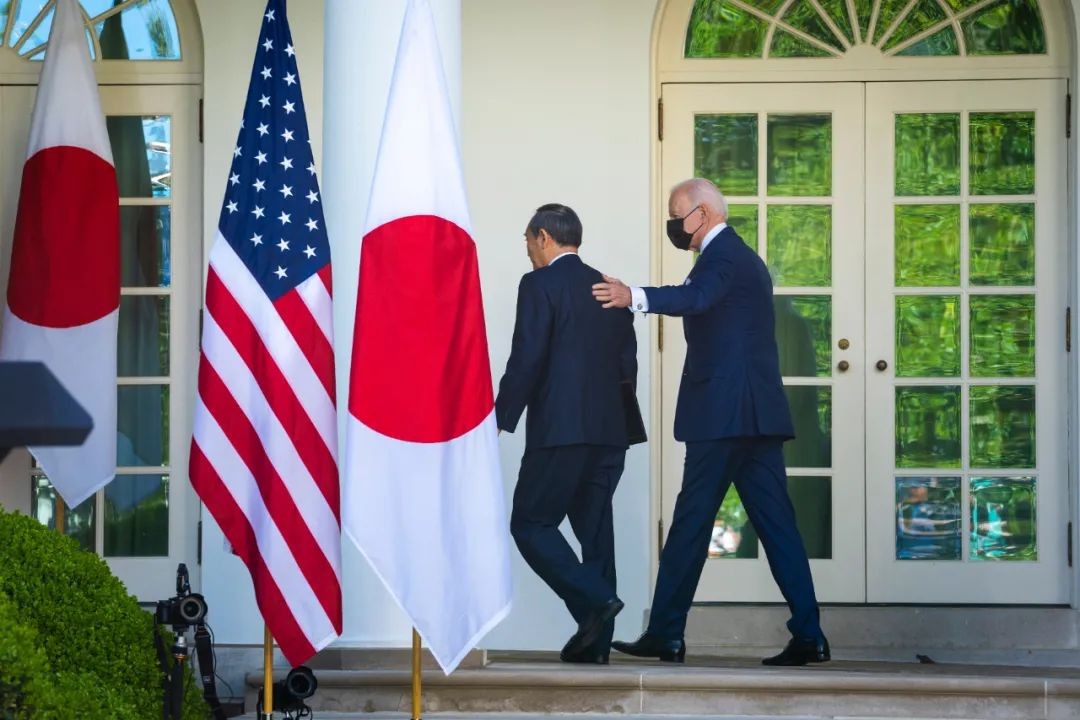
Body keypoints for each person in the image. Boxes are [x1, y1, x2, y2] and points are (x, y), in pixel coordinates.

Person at [591, 178, 830, 667]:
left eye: (678, 214)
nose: (674, 224)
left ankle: (665, 633)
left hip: (725, 418)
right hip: (752, 419)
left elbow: (694, 298)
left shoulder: (725, 258)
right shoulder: (735, 259)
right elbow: (699, 298)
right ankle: (808, 634)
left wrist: (630, 295)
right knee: (775, 527)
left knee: (691, 524)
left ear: (702, 213)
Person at [496, 203, 641, 665]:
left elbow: (528, 356)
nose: (527, 252)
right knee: (595, 532)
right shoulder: (610, 289)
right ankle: (595, 644)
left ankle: (596, 599)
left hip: (560, 432)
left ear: (543, 237)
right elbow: (627, 364)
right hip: (609, 433)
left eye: (527, 242)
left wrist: (500, 417)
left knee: (530, 524)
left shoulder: (538, 283)